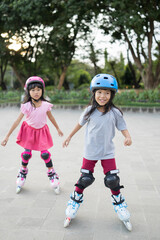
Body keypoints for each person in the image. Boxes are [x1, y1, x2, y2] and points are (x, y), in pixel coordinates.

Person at [63, 73, 132, 230]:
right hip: (90, 152)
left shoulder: (115, 112)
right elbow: (79, 124)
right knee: (84, 179)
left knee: (113, 180)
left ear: (112, 95)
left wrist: (128, 137)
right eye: (99, 92)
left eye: (107, 93)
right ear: (93, 93)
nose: (103, 96)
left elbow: (123, 127)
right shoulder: (89, 111)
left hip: (108, 153)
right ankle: (73, 202)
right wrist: (69, 137)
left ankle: (120, 205)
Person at [1, 76, 63, 194]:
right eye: (33, 90)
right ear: (28, 91)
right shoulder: (27, 106)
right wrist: (7, 136)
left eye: (38, 89)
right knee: (26, 154)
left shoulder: (45, 104)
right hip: (29, 132)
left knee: (45, 154)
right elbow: (17, 121)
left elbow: (50, 117)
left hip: (41, 131)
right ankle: (22, 172)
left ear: (42, 91)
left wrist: (58, 128)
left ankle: (52, 173)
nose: (36, 92)